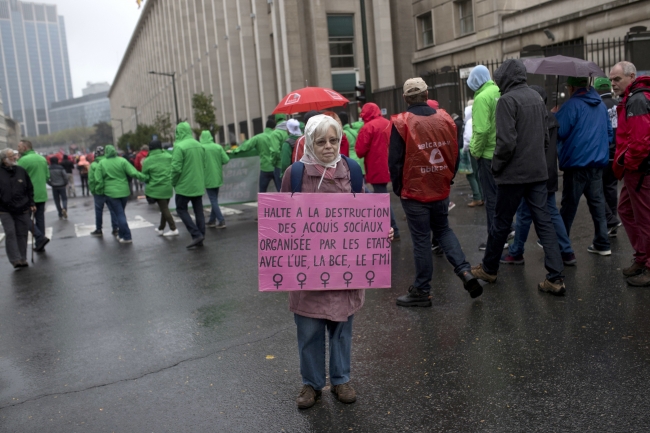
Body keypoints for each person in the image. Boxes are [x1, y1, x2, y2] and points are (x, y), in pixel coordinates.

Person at [280, 114, 392, 410]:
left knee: (342, 330)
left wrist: (382, 230)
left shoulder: (352, 170)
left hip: (345, 270)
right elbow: (279, 221)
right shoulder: (294, 174)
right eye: (321, 141)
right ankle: (312, 384)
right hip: (308, 272)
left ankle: (341, 379)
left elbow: (365, 211)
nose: (329, 146)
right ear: (309, 142)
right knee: (309, 331)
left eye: (334, 140)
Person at [470, 59, 565, 295]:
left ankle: (489, 268)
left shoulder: (507, 100)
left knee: (501, 221)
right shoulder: (535, 97)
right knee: (544, 223)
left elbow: (506, 142)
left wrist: (497, 167)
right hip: (537, 173)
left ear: (505, 78)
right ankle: (556, 277)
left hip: (513, 174)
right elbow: (544, 139)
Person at [389, 77, 483, 307]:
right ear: (426, 94)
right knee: (443, 230)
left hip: (414, 191)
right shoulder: (445, 118)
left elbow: (395, 161)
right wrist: (448, 177)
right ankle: (464, 271)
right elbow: (453, 152)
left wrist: (399, 188)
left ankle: (422, 289)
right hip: (440, 187)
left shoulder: (402, 122)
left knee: (421, 239)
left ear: (405, 98)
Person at [501, 85, 576, 266]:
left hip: (532, 173)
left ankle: (517, 251)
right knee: (548, 212)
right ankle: (566, 251)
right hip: (548, 172)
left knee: (524, 213)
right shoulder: (552, 119)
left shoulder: (532, 119)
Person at [555, 76, 613, 256]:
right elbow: (610, 133)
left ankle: (561, 246)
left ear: (571, 87)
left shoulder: (571, 106)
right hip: (597, 163)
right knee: (597, 204)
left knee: (569, 206)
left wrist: (556, 115)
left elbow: (559, 131)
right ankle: (603, 243)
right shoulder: (601, 105)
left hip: (576, 163)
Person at [609, 61, 650, 286]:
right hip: (636, 170)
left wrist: (628, 162)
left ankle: (647, 263)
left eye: (617, 79)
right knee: (625, 210)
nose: (613, 83)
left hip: (639, 170)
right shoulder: (634, 97)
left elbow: (641, 142)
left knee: (644, 219)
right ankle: (642, 257)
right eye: (612, 79)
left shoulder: (636, 99)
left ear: (631, 76)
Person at [467, 66, 511, 250]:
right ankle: (508, 230)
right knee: (503, 196)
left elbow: (482, 129)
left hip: (487, 155)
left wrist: (475, 151)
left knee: (490, 198)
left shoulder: (481, 98)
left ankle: (495, 240)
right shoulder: (500, 91)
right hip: (504, 151)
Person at [355, 102, 401, 241]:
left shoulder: (368, 127)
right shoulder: (389, 123)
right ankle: (393, 228)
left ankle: (393, 229)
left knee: (381, 198)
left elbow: (360, 151)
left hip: (376, 166)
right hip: (392, 164)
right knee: (385, 196)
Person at [95, 145, 147, 244]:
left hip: (110, 192)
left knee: (119, 214)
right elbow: (133, 173)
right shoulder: (122, 160)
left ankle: (127, 236)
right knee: (120, 213)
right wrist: (145, 178)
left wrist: (99, 191)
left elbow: (99, 180)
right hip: (124, 191)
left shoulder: (102, 163)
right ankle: (121, 234)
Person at [171, 122, 207, 248]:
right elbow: (203, 163)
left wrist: (173, 182)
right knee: (198, 211)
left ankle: (196, 234)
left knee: (181, 209)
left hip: (184, 185)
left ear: (178, 132)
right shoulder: (199, 144)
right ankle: (201, 236)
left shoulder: (179, 147)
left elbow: (176, 168)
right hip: (198, 184)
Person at [594, 76, 622, 237]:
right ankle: (613, 219)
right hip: (618, 153)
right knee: (611, 188)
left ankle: (608, 221)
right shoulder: (619, 104)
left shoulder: (598, 106)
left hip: (603, 152)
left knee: (597, 189)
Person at [0, 148, 34, 269]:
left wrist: (32, 202)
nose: (15, 158)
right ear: (4, 160)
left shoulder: (21, 170)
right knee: (10, 232)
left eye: (15, 155)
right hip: (4, 209)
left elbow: (29, 188)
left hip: (22, 207)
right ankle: (15, 259)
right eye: (11, 156)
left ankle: (22, 258)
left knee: (22, 233)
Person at [17, 139, 50, 252]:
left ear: (25, 148)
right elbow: (47, 176)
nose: (18, 149)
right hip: (41, 193)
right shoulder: (42, 159)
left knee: (25, 218)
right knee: (40, 218)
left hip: (28, 195)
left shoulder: (23, 161)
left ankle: (40, 237)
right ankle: (40, 243)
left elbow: (18, 179)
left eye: (19, 147)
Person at [142, 139, 178, 236]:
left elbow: (144, 175)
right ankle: (161, 228)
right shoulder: (168, 156)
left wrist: (147, 180)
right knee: (164, 208)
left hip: (156, 187)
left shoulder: (148, 160)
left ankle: (173, 228)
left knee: (164, 209)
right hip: (168, 185)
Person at [233, 119, 280, 193]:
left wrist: (234, 151)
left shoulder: (258, 137)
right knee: (281, 190)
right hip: (277, 167)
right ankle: (284, 204)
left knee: (262, 192)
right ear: (274, 127)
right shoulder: (277, 136)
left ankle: (263, 204)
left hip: (265, 168)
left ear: (266, 127)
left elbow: (246, 146)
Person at [200, 130, 230, 229]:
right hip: (217, 176)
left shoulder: (201, 148)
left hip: (207, 177)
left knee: (213, 200)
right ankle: (212, 220)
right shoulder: (218, 147)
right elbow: (226, 159)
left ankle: (221, 220)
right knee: (214, 199)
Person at [88, 146, 118, 237]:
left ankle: (99, 229)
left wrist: (93, 191)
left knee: (98, 211)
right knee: (113, 210)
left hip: (98, 192)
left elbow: (91, 180)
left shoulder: (93, 165)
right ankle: (115, 228)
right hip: (109, 190)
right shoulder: (108, 162)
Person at [462, 102, 483, 207]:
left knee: (471, 174)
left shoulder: (470, 122)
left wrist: (465, 149)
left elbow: (468, 139)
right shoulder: (480, 118)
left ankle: (477, 197)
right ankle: (482, 196)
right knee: (479, 173)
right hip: (481, 149)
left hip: (472, 150)